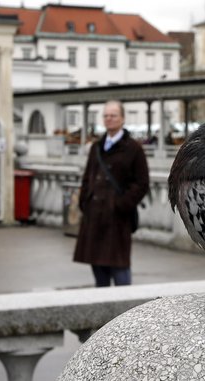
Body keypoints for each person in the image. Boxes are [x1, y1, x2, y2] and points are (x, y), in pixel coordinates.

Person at [73, 100, 149, 287]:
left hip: (117, 218)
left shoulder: (133, 148)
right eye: (106, 115)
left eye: (113, 115)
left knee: (119, 268)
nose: (109, 119)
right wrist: (85, 201)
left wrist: (120, 205)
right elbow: (87, 177)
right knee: (98, 269)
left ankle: (125, 313)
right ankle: (104, 313)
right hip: (94, 215)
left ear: (122, 119)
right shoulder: (97, 147)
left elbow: (142, 183)